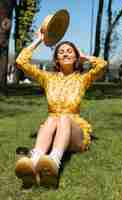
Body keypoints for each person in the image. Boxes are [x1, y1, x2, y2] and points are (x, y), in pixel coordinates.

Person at [15, 29, 107, 188]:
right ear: (56, 59)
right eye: (61, 52)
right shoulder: (47, 78)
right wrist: (39, 40)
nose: (65, 54)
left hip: (74, 132)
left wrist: (85, 57)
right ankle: (34, 162)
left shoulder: (83, 79)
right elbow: (21, 62)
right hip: (53, 127)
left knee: (64, 117)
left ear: (75, 57)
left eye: (70, 51)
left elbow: (102, 65)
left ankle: (53, 164)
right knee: (51, 119)